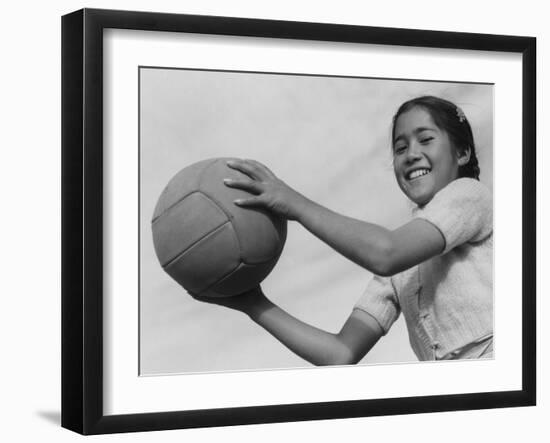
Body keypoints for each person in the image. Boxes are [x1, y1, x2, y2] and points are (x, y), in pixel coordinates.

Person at [194, 95, 493, 364]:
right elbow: (340, 353)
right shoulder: (401, 273)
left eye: (425, 139)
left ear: (463, 153)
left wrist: (293, 202)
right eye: (400, 147)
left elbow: (386, 252)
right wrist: (253, 304)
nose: (411, 153)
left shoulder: (469, 196)